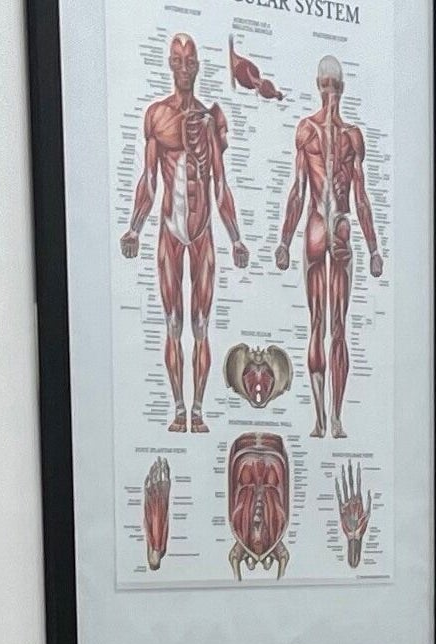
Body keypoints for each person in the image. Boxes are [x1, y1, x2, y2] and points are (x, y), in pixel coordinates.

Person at [119, 35, 251, 435]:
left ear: (197, 66)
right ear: (170, 64)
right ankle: (179, 409)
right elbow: (149, 179)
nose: (184, 67)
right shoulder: (157, 116)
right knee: (173, 323)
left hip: (203, 230)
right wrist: (135, 227)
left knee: (201, 325)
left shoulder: (210, 120)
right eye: (177, 60)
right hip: (170, 230)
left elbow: (220, 184)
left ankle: (198, 408)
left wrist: (236, 237)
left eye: (190, 60)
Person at [276, 56, 386, 439]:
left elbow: (360, 198)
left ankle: (332, 417)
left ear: (338, 87)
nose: (330, 92)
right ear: (322, 86)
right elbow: (299, 191)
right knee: (322, 325)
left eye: (333, 85)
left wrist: (373, 247)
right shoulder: (314, 132)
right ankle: (323, 417)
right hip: (324, 227)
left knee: (334, 326)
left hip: (333, 228)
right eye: (327, 85)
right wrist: (284, 240)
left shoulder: (346, 136)